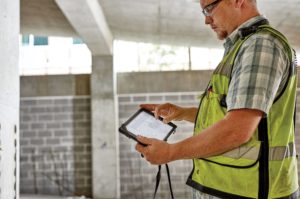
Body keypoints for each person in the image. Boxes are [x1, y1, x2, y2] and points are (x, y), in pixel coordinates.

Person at [135, 0, 299, 198]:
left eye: (209, 8)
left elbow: (237, 130)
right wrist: (184, 113)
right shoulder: (242, 46)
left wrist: (171, 152)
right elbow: (233, 113)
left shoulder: (260, 45)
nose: (206, 19)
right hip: (233, 188)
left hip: (251, 190)